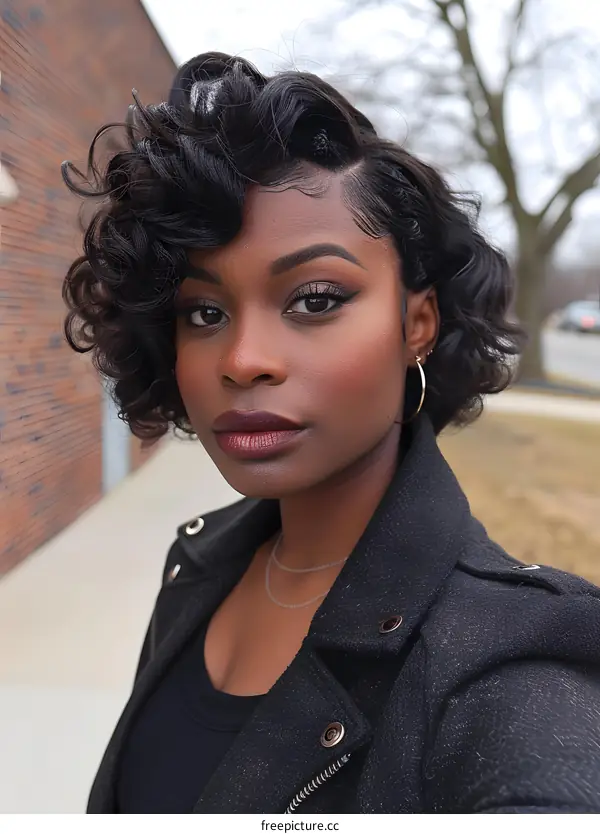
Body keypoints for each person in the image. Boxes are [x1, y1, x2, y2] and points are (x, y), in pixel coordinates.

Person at [62, 52, 600, 815]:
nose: (243, 360)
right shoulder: (199, 566)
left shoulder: (507, 668)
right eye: (205, 313)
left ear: (417, 323)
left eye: (315, 299)